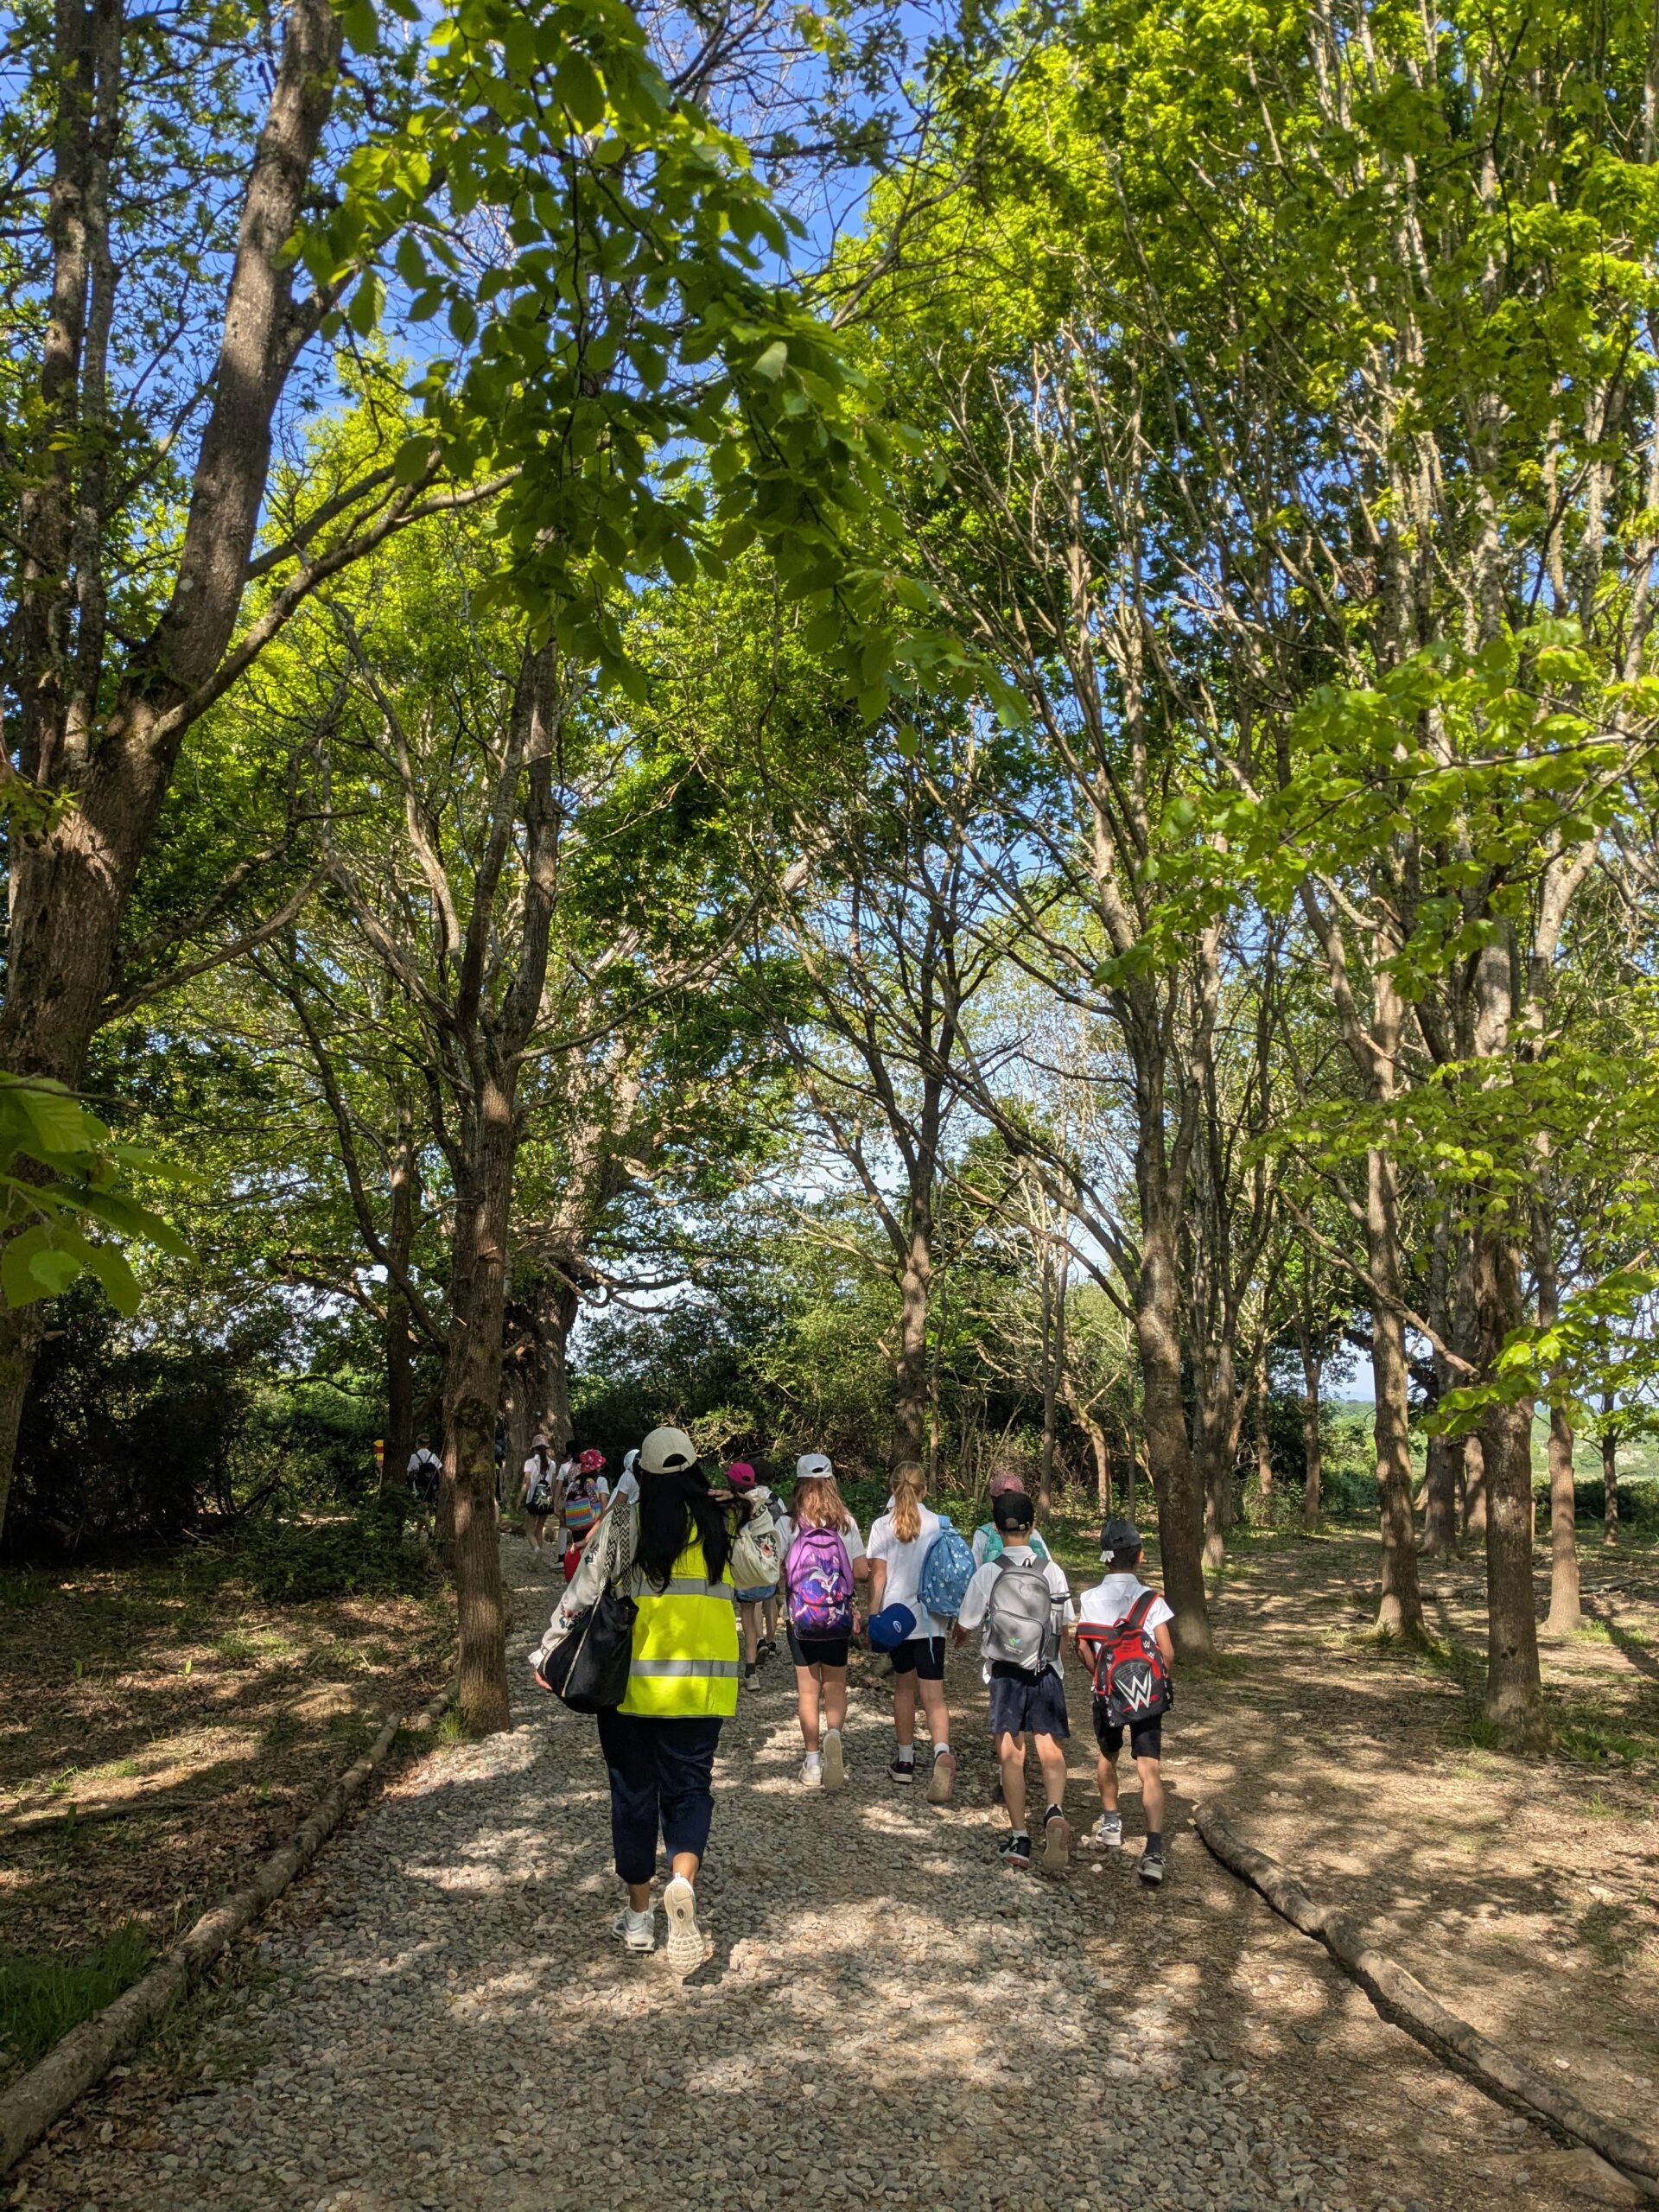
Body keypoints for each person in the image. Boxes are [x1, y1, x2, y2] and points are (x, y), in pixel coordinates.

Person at [594, 1425, 740, 1967]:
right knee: (690, 1788)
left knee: (633, 1795)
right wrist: (751, 1505)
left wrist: (549, 1650)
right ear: (697, 1468)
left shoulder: (626, 1525)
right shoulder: (724, 1524)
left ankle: (637, 1919)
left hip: (630, 1688)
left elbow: (589, 1581)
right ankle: (682, 1880)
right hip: (704, 1689)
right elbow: (765, 1571)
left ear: (643, 1473)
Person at [954, 1490, 1075, 1871]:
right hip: (1045, 1669)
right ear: (1033, 1526)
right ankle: (1053, 1810)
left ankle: (1020, 1837)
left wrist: (960, 1639)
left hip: (1005, 1672)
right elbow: (1066, 1622)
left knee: (1011, 1753)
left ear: (995, 1527)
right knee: (1050, 1749)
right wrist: (1055, 1657)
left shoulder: (989, 1572)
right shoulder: (1050, 1569)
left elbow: (967, 1622)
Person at [1075, 1518, 1174, 1886]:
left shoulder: (1088, 1599)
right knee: (1150, 1771)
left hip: (1107, 1697)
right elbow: (1167, 1652)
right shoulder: (1152, 1600)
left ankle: (1112, 1823)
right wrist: (1151, 1685)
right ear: (1140, 1556)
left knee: (1107, 1757)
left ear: (1105, 1558)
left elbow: (1083, 1646)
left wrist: (1099, 1677)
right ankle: (1153, 1851)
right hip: (1146, 1696)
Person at [778, 1452, 868, 1788]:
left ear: (799, 1483)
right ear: (831, 1481)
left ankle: (813, 1761)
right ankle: (834, 1738)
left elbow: (776, 1572)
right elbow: (860, 1571)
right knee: (836, 1684)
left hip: (801, 1617)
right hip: (836, 1616)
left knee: (807, 1691)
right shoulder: (845, 1521)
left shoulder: (787, 1523)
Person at [866, 1463, 955, 1802]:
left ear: (892, 1487)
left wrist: (873, 1617)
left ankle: (904, 1761)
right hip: (932, 1622)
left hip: (897, 1621)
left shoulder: (881, 1526)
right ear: (924, 1490)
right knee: (934, 1695)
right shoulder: (940, 1525)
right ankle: (940, 1754)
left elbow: (878, 1578)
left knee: (904, 1688)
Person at [971, 1469, 1052, 1567]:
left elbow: (974, 1569)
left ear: (993, 1502)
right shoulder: (1032, 1533)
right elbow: (1048, 1564)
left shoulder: (982, 1534)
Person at [561, 1447, 609, 1580]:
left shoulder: (574, 1483)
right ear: (597, 1467)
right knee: (591, 1557)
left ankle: (576, 1582)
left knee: (578, 1552)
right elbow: (604, 1504)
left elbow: (564, 1506)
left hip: (576, 1525)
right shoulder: (601, 1481)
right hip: (593, 1524)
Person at [520, 1431, 560, 1567]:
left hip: (533, 1499)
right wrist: (554, 1502)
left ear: (534, 1448)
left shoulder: (530, 1462)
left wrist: (519, 1499)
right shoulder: (553, 1464)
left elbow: (526, 1482)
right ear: (546, 1448)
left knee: (529, 1531)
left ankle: (537, 1551)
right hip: (546, 1500)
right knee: (539, 1529)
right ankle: (539, 1560)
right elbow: (554, 1484)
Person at [406, 1434, 442, 1506]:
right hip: (433, 1487)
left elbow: (409, 1472)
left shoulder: (414, 1457)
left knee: (423, 1508)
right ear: (428, 1444)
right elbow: (439, 1469)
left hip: (420, 1488)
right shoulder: (433, 1456)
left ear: (417, 1444)